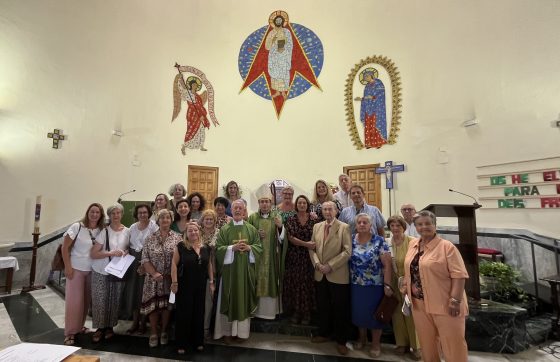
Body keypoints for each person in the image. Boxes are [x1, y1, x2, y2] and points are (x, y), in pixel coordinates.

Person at [403, 210, 469, 362]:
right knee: (427, 345)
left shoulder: (447, 247)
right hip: (419, 304)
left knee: (453, 346)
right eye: (419, 224)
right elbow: (411, 269)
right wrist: (405, 285)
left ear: (435, 225)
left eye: (427, 223)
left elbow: (459, 276)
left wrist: (455, 300)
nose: (423, 227)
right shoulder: (413, 244)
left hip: (445, 304)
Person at [214, 199, 262, 343]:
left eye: (240, 208)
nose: (238, 210)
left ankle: (241, 334)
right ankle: (227, 332)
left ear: (244, 210)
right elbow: (218, 249)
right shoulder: (225, 229)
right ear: (232, 210)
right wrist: (231, 248)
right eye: (235, 208)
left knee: (242, 299)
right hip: (229, 273)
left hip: (245, 273)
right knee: (229, 299)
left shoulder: (251, 229)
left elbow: (259, 247)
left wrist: (249, 248)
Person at [309, 201, 352, 356]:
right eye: (325, 209)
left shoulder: (344, 227)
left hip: (337, 274)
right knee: (323, 306)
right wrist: (317, 264)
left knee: (340, 308)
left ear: (336, 211)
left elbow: (347, 252)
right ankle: (323, 333)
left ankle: (341, 341)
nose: (327, 212)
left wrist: (330, 266)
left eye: (330, 209)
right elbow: (312, 248)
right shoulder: (317, 227)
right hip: (320, 273)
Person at [350, 213, 393, 358]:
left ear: (370, 225)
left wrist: (387, 285)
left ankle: (375, 343)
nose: (362, 224)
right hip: (356, 284)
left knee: (375, 315)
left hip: (375, 285)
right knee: (359, 314)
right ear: (356, 225)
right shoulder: (351, 240)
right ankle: (362, 338)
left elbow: (387, 265)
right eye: (359, 222)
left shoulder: (379, 241)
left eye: (365, 222)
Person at [61, 203, 105, 346]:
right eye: (92, 212)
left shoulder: (101, 230)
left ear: (101, 215)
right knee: (74, 302)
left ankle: (79, 327)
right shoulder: (77, 227)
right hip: (76, 269)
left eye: (97, 212)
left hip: (93, 270)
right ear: (87, 213)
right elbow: (64, 247)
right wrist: (68, 267)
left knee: (85, 302)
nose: (94, 214)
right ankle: (69, 333)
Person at [140, 209, 182, 348]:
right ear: (158, 221)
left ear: (171, 220)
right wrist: (154, 273)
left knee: (167, 307)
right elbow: (145, 258)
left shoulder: (178, 238)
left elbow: (180, 259)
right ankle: (153, 332)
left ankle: (164, 331)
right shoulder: (150, 238)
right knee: (153, 308)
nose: (164, 220)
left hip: (170, 279)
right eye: (162, 218)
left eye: (167, 218)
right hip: (152, 280)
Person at [172, 222, 214, 353]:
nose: (193, 233)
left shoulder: (205, 247)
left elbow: (209, 265)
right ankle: (181, 344)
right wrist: (174, 282)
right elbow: (174, 264)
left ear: (199, 231)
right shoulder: (181, 246)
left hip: (200, 285)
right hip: (184, 285)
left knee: (199, 312)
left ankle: (198, 341)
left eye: (195, 230)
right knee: (184, 314)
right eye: (190, 231)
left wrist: (212, 281)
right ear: (186, 233)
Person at [90, 204, 130, 343]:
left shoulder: (128, 231)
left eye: (118, 212)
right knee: (100, 300)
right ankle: (99, 328)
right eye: (113, 213)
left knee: (114, 300)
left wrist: (125, 252)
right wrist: (111, 253)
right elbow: (93, 253)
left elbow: (129, 248)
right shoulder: (104, 232)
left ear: (122, 214)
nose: (116, 215)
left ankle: (109, 328)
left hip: (118, 270)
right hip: (101, 270)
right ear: (109, 215)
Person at [247, 185, 284, 319]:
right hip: (255, 259)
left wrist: (280, 227)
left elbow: (283, 238)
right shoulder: (252, 218)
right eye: (262, 201)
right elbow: (246, 236)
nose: (264, 204)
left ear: (270, 203)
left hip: (271, 259)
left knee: (271, 280)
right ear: (258, 203)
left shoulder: (276, 217)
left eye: (267, 201)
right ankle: (255, 311)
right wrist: (255, 234)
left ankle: (269, 313)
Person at [386, 215, 421, 359]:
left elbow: (418, 264)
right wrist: (387, 284)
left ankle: (416, 346)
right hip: (395, 281)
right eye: (392, 226)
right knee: (396, 313)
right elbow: (386, 266)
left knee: (411, 313)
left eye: (398, 226)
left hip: (409, 281)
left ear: (403, 227)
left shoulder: (412, 242)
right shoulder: (386, 242)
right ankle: (401, 343)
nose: (395, 229)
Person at [122, 204, 158, 335]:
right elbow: (127, 244)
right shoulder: (132, 227)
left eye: (144, 212)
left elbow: (156, 246)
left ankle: (143, 323)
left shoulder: (154, 226)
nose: (142, 215)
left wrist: (146, 264)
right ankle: (135, 322)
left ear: (149, 213)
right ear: (136, 214)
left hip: (148, 261)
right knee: (133, 292)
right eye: (140, 213)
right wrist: (125, 251)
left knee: (144, 293)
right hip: (133, 262)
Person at [283, 195, 317, 325]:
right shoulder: (291, 219)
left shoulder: (314, 220)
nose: (302, 205)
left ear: (307, 205)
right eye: (299, 203)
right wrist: (306, 244)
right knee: (295, 284)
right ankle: (296, 312)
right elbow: (290, 237)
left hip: (309, 258)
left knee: (307, 285)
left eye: (304, 203)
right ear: (296, 205)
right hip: (294, 257)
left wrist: (309, 246)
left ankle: (307, 313)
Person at [176, 74, 211, 154]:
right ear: (191, 85)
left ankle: (201, 146)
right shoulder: (188, 93)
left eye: (196, 85)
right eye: (194, 85)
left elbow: (200, 106)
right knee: (191, 130)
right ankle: (184, 147)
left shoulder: (197, 96)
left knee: (201, 129)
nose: (195, 86)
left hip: (199, 114)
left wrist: (202, 115)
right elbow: (181, 89)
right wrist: (181, 80)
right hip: (192, 114)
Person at [354, 68, 387, 148]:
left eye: (367, 76)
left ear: (371, 76)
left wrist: (373, 97)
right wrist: (361, 99)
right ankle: (369, 143)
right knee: (368, 125)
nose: (366, 78)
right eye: (365, 77)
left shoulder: (378, 83)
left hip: (376, 108)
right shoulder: (367, 86)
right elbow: (366, 97)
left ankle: (378, 142)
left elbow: (381, 94)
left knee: (375, 124)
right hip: (368, 108)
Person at [199, 209, 219, 339]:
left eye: (211, 219)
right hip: (198, 270)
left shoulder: (219, 233)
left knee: (209, 301)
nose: (209, 221)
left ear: (214, 221)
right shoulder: (198, 232)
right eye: (206, 219)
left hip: (213, 270)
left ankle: (206, 328)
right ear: (203, 220)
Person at [265, 11, 293, 99]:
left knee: (283, 72)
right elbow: (267, 46)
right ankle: (277, 92)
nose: (278, 22)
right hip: (274, 56)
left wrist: (284, 47)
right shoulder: (271, 32)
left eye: (280, 21)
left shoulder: (286, 31)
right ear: (274, 22)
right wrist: (273, 40)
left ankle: (284, 92)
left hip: (283, 55)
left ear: (282, 22)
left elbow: (290, 43)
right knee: (275, 73)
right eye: (277, 21)